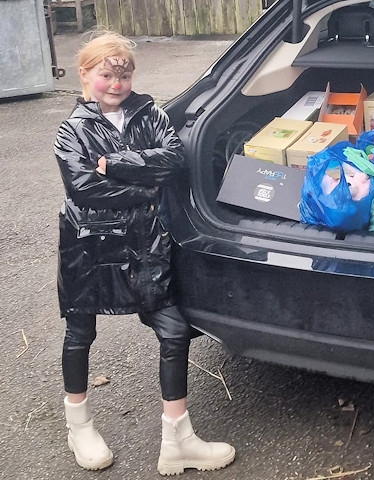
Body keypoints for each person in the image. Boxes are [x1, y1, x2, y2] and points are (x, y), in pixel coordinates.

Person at [53, 30, 235, 476]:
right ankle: (79, 424)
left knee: (173, 330)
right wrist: (146, 184)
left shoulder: (149, 112)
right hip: (89, 244)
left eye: (124, 74)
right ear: (85, 74)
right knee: (80, 333)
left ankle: (179, 440)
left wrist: (115, 165)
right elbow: (83, 188)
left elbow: (173, 159)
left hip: (146, 242)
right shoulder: (71, 130)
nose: (116, 83)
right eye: (106, 74)